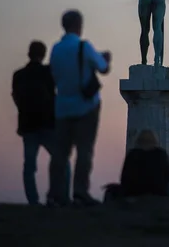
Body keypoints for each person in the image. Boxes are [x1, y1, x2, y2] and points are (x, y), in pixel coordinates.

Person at [46, 10, 111, 207]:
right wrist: (106, 58)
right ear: (78, 25)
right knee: (84, 151)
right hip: (86, 106)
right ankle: (80, 191)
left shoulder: (56, 49)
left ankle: (55, 193)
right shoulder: (84, 46)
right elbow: (103, 68)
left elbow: (54, 74)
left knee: (60, 153)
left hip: (63, 106)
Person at [12, 41, 70, 205]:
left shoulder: (18, 75)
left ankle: (33, 201)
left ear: (29, 53)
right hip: (48, 125)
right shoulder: (48, 72)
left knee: (29, 166)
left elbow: (15, 97)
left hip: (27, 125)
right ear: (43, 54)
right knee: (63, 163)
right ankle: (63, 198)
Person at [103, 129, 169, 202]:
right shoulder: (162, 154)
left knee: (110, 190)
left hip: (133, 192)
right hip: (159, 192)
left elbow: (124, 178)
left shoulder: (132, 154)